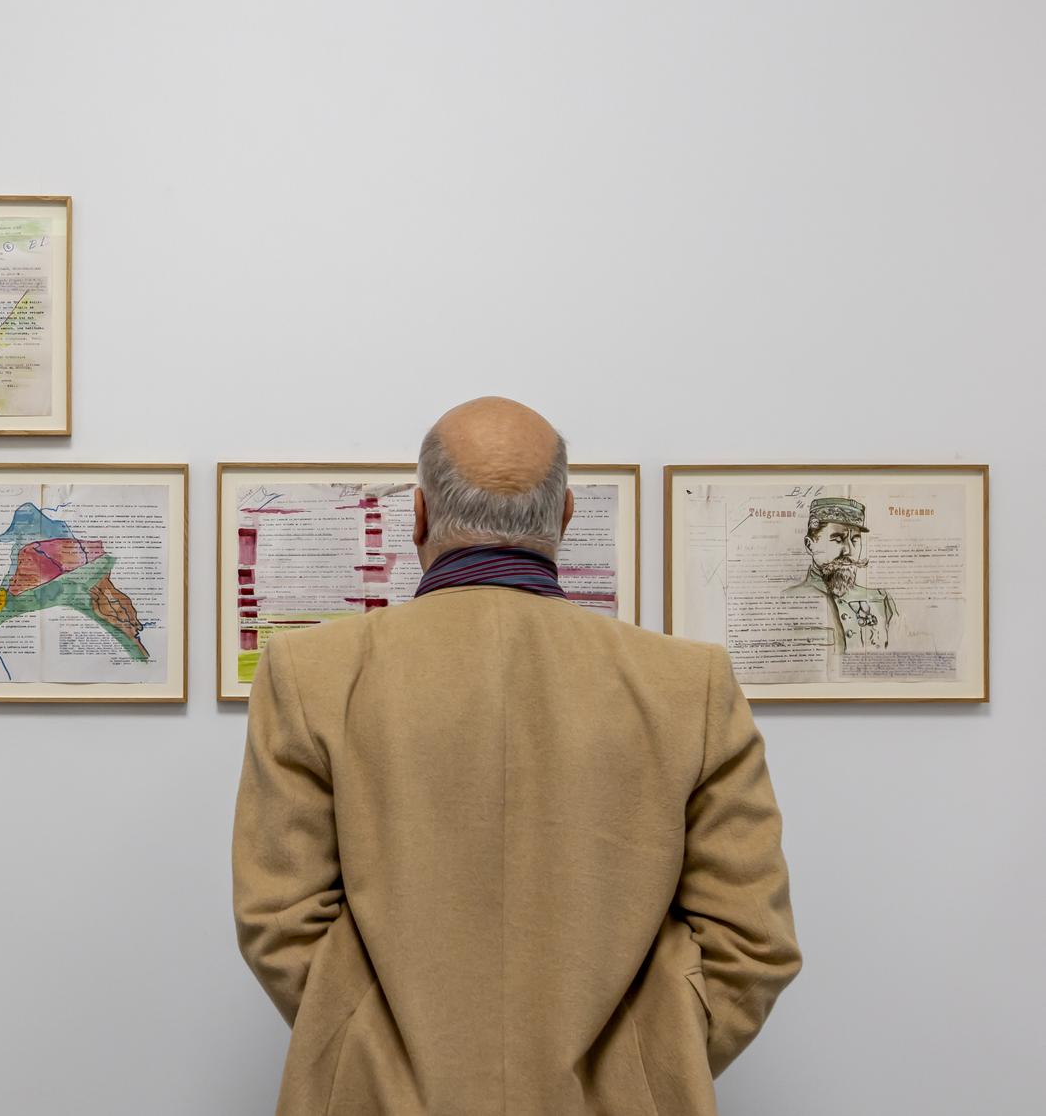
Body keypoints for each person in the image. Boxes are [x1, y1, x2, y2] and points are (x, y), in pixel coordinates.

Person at [232, 397, 800, 1115]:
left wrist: (375, 1058)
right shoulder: (689, 684)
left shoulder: (309, 672)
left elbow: (278, 920)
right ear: (565, 518)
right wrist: (644, 1062)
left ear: (417, 516)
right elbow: (752, 941)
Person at [784, 496, 898, 652]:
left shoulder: (881, 600)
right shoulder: (788, 600)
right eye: (838, 539)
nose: (849, 550)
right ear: (810, 545)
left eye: (855, 539)